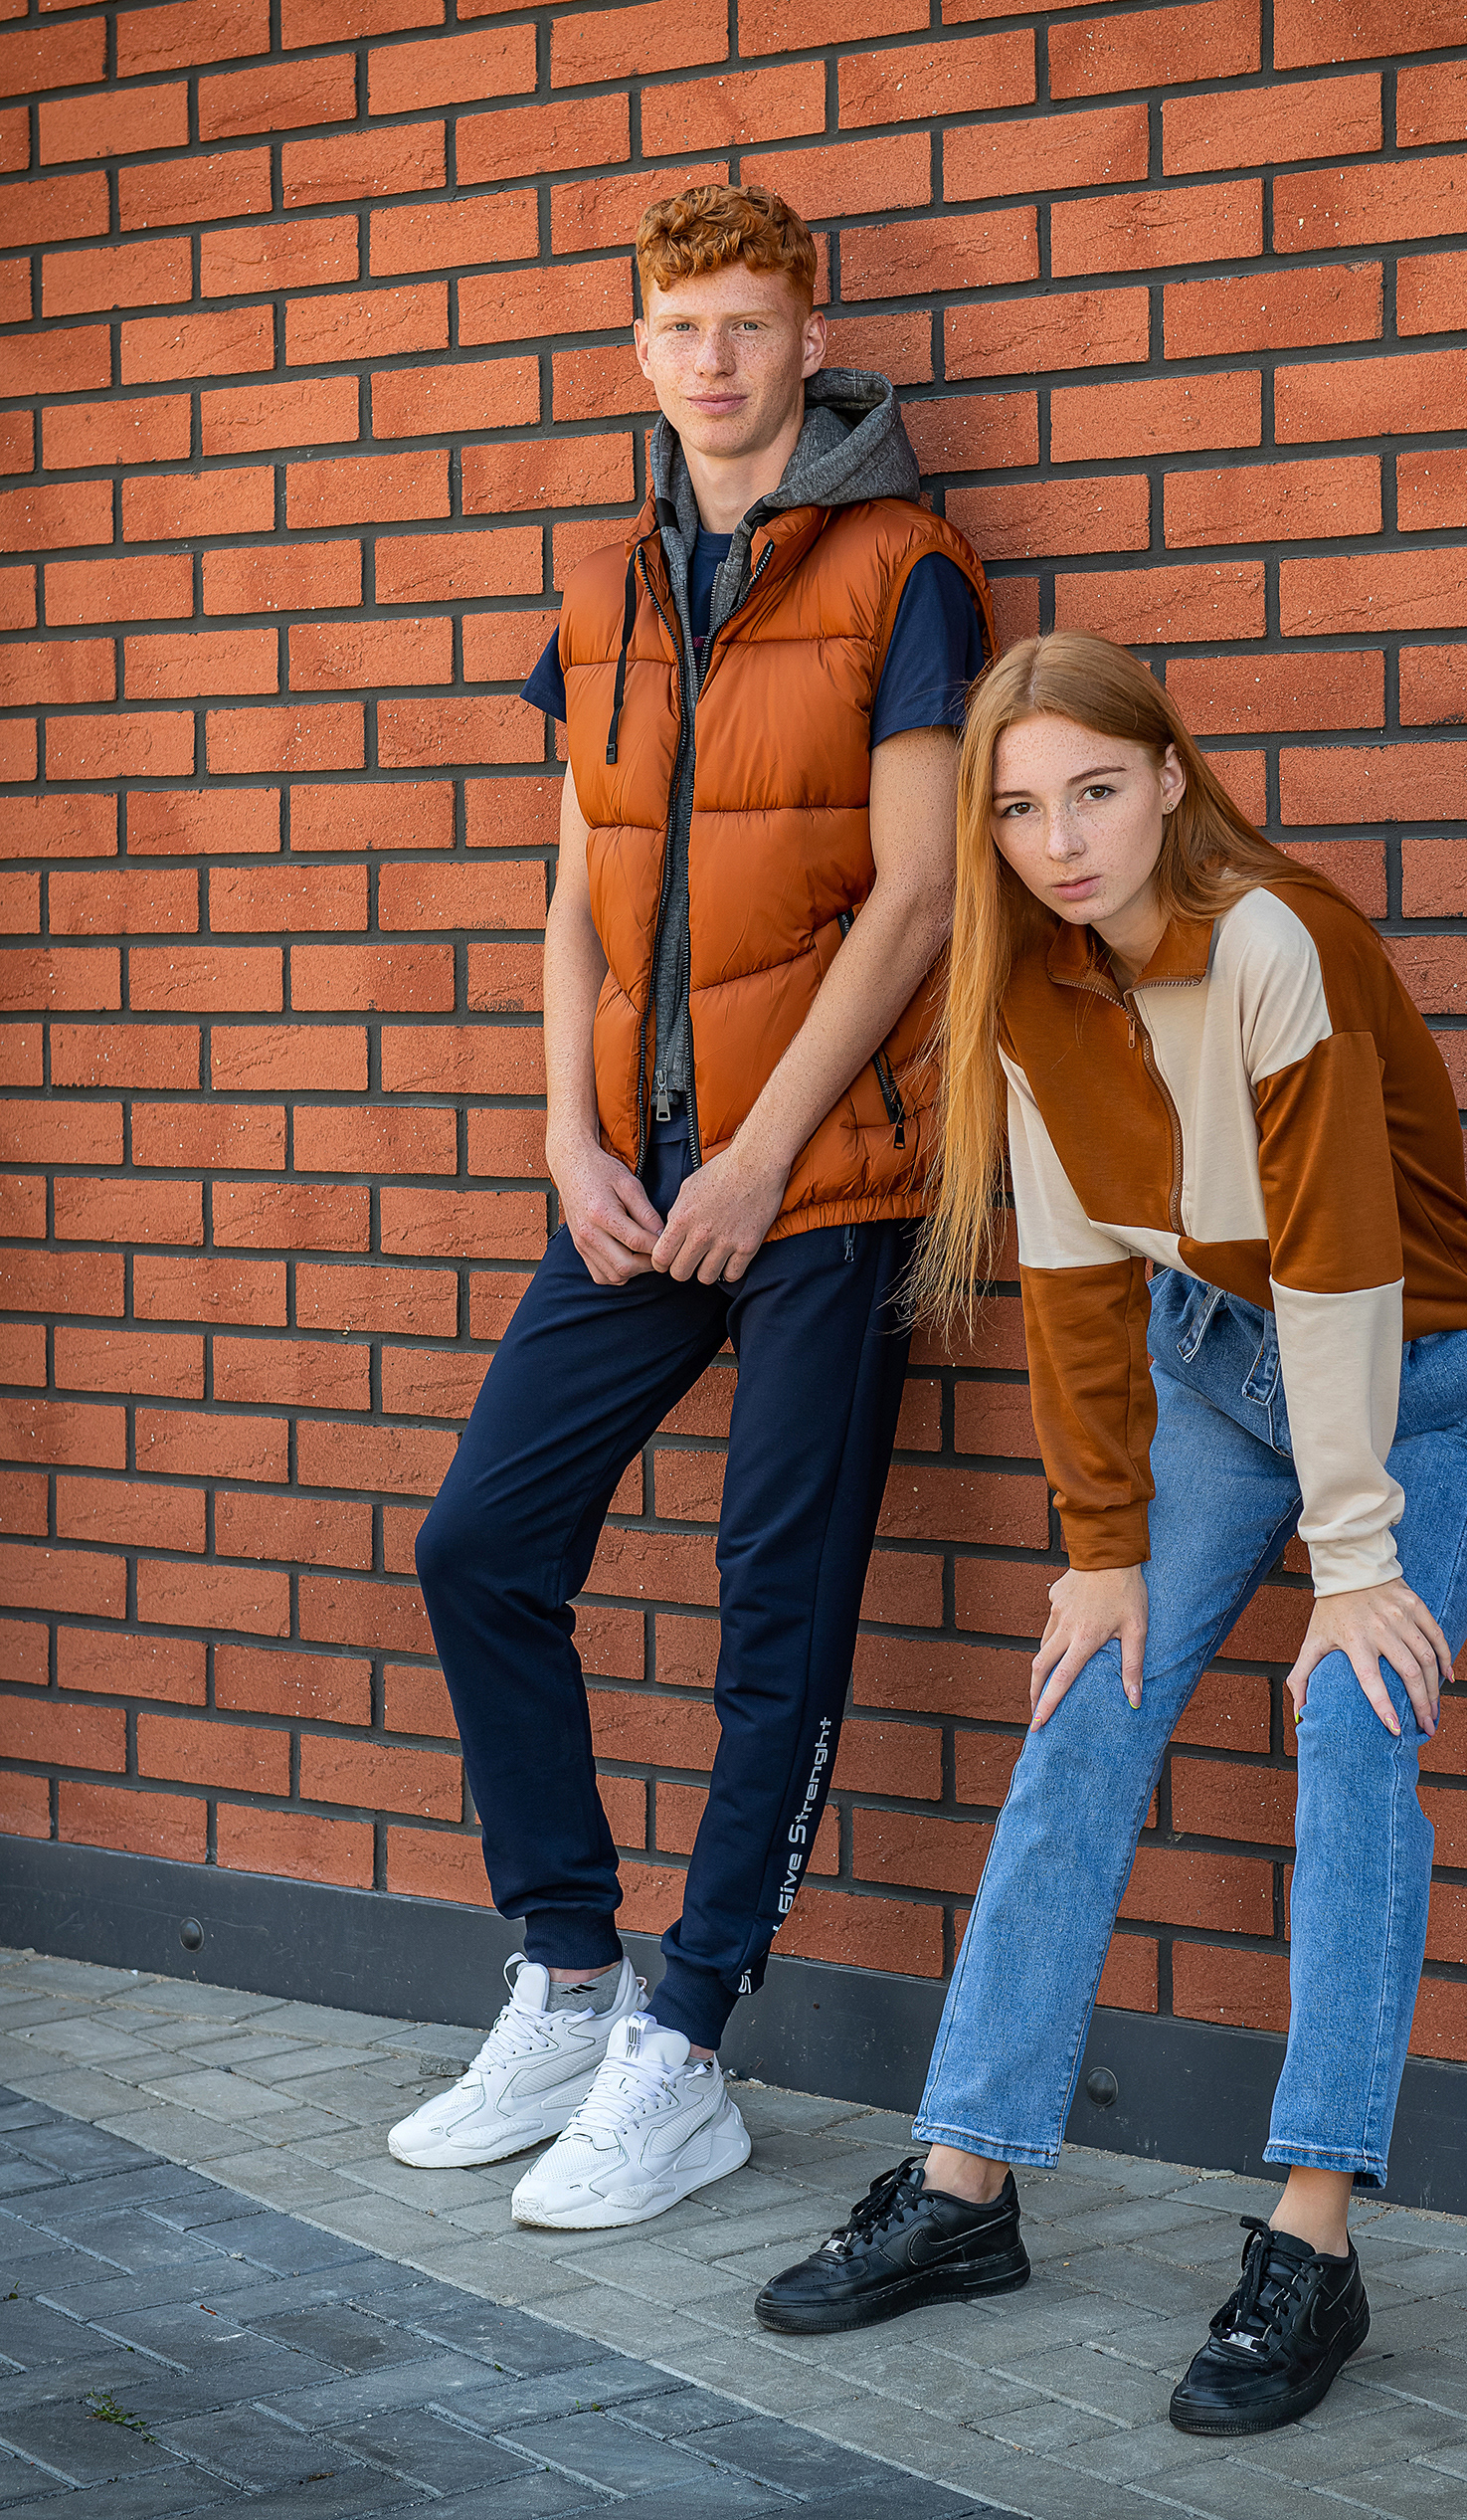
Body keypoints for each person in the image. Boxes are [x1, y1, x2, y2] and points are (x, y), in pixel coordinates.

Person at [754, 632, 1467, 2434]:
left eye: (1094, 792)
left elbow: (1338, 1260)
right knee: (1084, 1696)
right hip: (1220, 1366)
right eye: (1019, 808)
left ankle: (1313, 2241)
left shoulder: (1277, 941)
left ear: (1171, 778)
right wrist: (1100, 1543)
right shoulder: (1028, 983)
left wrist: (1354, 1562)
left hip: (1426, 1385)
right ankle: (963, 2184)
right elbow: (1078, 1288)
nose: (1060, 841)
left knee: (1354, 1723)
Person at [394, 183, 994, 2232]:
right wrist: (569, 1142)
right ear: (640, 350)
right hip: (634, 1181)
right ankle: (569, 1975)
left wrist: (758, 1159)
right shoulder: (605, 585)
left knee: (771, 1612)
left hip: (824, 1180)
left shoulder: (906, 569)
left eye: (748, 321)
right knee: (481, 1543)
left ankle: (688, 2042)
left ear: (809, 339)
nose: (713, 358)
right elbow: (574, 891)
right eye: (679, 326)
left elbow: (920, 894)